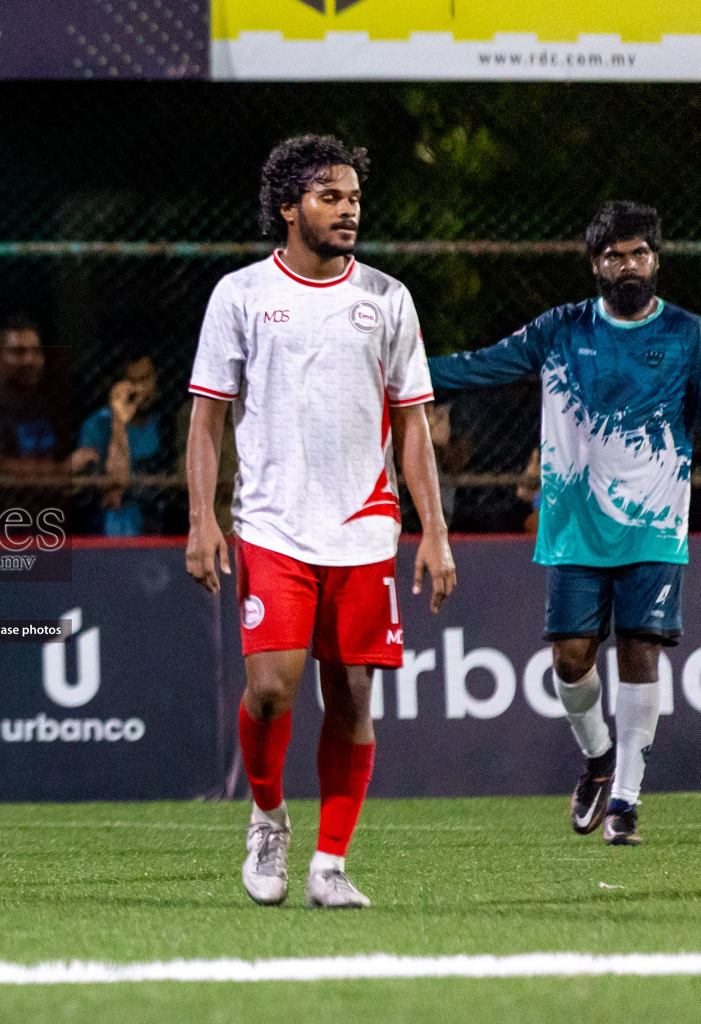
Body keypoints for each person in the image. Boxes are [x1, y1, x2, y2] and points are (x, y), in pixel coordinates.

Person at [185, 135, 455, 909]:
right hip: (272, 524)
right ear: (288, 206)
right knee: (271, 688)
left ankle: (331, 864)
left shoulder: (387, 298)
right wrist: (204, 517)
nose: (347, 211)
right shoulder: (239, 295)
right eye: (330, 197)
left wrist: (433, 530)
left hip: (365, 529)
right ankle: (268, 819)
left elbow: (412, 424)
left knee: (353, 699)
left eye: (354, 198)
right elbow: (207, 417)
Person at [428, 201, 701, 846]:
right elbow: (479, 366)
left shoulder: (689, 335)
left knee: (640, 650)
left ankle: (627, 800)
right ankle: (599, 759)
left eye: (638, 252)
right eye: (613, 255)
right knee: (570, 659)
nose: (627, 264)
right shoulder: (561, 328)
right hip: (575, 523)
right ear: (595, 264)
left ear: (656, 258)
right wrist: (397, 371)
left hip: (656, 520)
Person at [0, 315, 75, 531]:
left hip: (44, 523)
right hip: (1, 526)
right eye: (18, 352)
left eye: (36, 352)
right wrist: (61, 471)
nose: (30, 360)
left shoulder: (41, 403)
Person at [74, 352, 172, 536]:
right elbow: (114, 487)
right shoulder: (98, 424)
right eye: (133, 382)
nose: (141, 389)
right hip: (111, 529)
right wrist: (119, 421)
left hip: (157, 526)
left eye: (146, 379)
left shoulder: (166, 422)